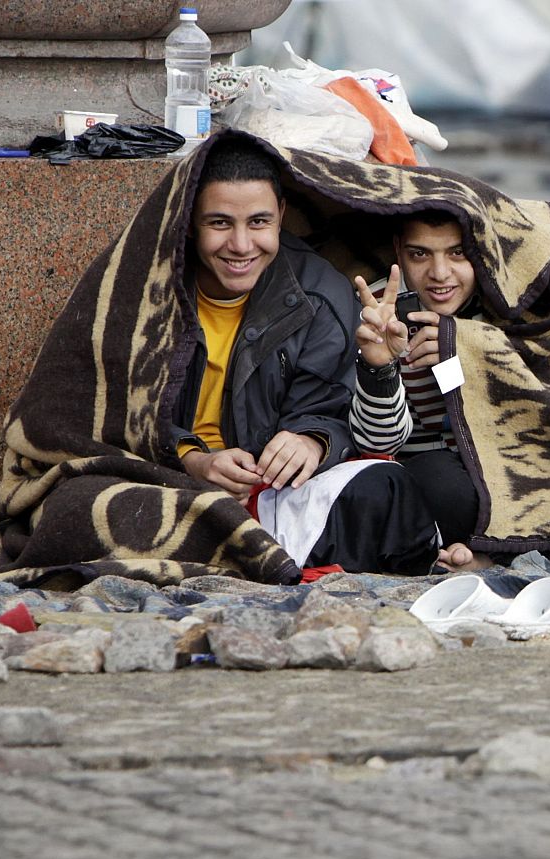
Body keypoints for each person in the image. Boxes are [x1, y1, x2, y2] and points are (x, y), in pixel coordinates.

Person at [172, 136, 440, 574]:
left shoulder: (320, 293)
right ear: (189, 222)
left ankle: (254, 555)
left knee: (386, 488)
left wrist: (311, 440)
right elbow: (110, 414)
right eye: (220, 223)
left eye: (258, 222)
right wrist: (191, 458)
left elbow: (331, 413)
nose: (241, 245)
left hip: (268, 491)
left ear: (281, 216)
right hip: (167, 480)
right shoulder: (151, 286)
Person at [349, 210, 496, 570]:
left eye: (457, 253)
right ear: (398, 250)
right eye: (420, 254)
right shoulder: (374, 310)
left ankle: (489, 552)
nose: (440, 274)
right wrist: (380, 366)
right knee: (441, 484)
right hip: (421, 469)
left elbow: (548, 411)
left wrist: (467, 356)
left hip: (498, 461)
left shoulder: (502, 307)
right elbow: (376, 445)